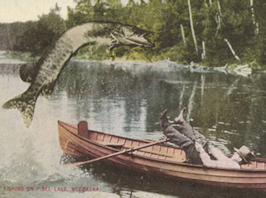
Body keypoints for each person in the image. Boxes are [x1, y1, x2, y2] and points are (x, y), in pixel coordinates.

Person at [160, 108, 255, 168]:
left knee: (189, 144)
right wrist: (208, 146)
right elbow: (219, 156)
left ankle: (166, 126)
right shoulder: (233, 163)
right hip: (200, 159)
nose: (234, 153)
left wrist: (201, 150)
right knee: (203, 140)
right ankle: (181, 123)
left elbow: (208, 163)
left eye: (237, 153)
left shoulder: (232, 165)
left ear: (239, 159)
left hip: (199, 163)